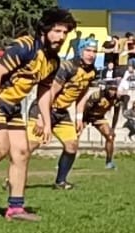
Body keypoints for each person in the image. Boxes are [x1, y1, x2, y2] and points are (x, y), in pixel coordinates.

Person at [0, 6, 77, 221]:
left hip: (12, 107)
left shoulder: (53, 61)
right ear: (44, 30)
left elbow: (44, 92)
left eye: (65, 33)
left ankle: (15, 208)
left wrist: (46, 122)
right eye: (57, 31)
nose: (61, 37)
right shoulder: (24, 46)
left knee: (22, 152)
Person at [39, 37, 105, 190]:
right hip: (45, 109)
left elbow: (82, 95)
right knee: (28, 147)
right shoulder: (67, 67)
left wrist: (79, 117)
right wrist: (42, 117)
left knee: (72, 145)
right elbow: (52, 92)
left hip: (62, 113)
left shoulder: (92, 72)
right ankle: (13, 178)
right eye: (88, 50)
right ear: (80, 51)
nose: (91, 54)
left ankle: (60, 182)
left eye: (94, 51)